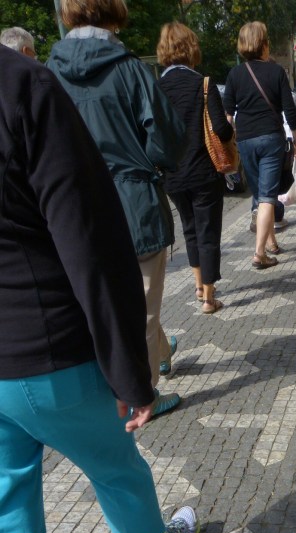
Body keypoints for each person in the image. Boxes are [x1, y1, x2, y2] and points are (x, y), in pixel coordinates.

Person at [0, 47, 200, 533]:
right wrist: (130, 371)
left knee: (4, 519)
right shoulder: (21, 85)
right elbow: (87, 236)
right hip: (43, 345)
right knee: (112, 459)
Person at [47, 0, 187, 413]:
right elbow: (167, 139)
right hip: (132, 199)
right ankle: (145, 392)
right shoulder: (129, 69)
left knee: (101, 295)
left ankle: (160, 349)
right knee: (141, 303)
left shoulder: (49, 73)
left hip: (74, 205)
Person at [157, 23, 234, 315]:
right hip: (204, 171)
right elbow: (222, 130)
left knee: (189, 230)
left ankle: (199, 285)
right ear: (191, 48)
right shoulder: (203, 84)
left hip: (173, 175)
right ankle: (209, 298)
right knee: (208, 231)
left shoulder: (157, 87)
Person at [223, 21, 296, 269]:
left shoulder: (234, 74)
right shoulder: (276, 72)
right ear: (264, 45)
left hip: (245, 140)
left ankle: (271, 244)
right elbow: (290, 110)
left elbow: (228, 114)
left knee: (260, 194)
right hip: (270, 138)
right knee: (267, 196)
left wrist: (234, 139)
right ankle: (259, 254)